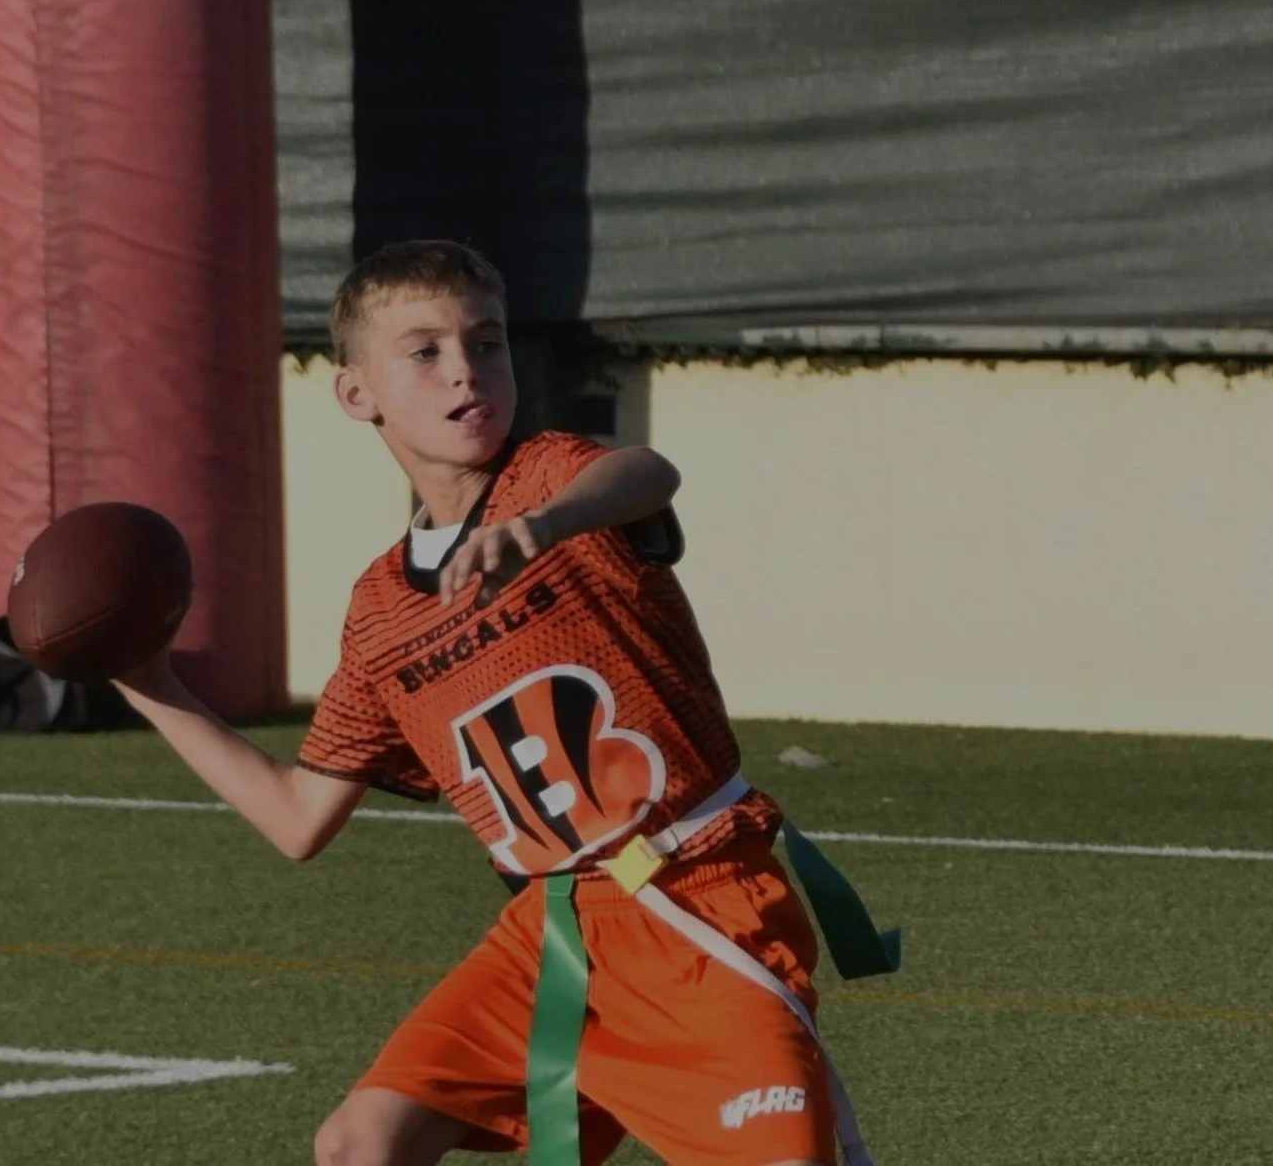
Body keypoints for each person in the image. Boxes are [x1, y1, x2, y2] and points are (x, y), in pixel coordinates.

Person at [115, 240, 881, 1166]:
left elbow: (647, 470)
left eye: (487, 342)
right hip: (555, 933)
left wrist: (548, 526)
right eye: (425, 351)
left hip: (696, 896)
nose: (465, 370)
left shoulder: (551, 478)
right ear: (357, 393)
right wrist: (149, 681)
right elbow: (297, 816)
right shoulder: (381, 610)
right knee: (358, 1143)